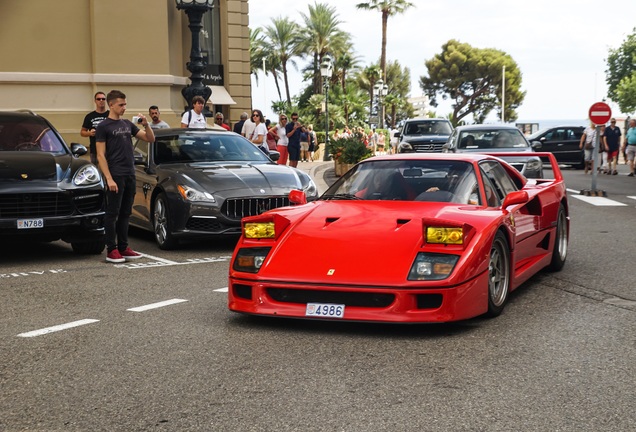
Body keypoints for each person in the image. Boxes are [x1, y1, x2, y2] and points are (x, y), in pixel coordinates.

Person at [95, 90, 155, 263]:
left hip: (130, 173)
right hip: (116, 174)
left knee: (126, 213)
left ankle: (123, 247)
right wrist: (109, 178)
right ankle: (111, 250)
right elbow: (100, 155)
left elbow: (150, 139)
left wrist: (146, 124)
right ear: (111, 104)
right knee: (112, 213)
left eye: (125, 104)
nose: (124, 108)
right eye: (121, 105)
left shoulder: (128, 124)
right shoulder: (103, 126)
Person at [80, 91, 109, 164]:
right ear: (95, 101)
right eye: (98, 99)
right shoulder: (89, 116)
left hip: (109, 149)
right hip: (95, 149)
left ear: (106, 101)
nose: (101, 101)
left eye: (103, 99)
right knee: (96, 171)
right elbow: (82, 132)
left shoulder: (110, 114)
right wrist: (89, 133)